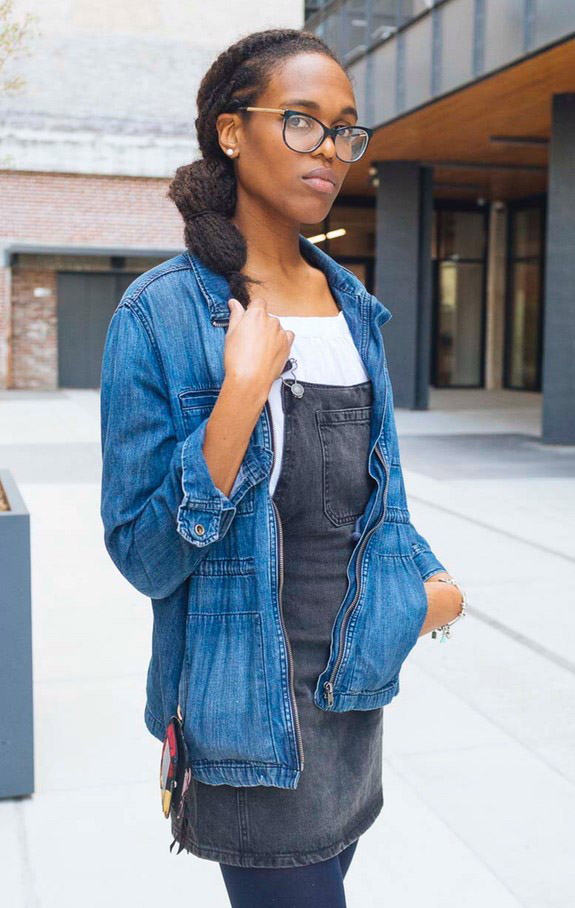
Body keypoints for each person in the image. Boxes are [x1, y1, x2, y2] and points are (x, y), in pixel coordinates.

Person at [100, 27, 466, 908]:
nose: (330, 150)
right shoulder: (159, 315)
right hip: (243, 720)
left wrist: (427, 589)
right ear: (231, 132)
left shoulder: (351, 305)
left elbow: (381, 505)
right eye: (301, 122)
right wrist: (235, 405)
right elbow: (145, 557)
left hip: (353, 694)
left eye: (344, 130)